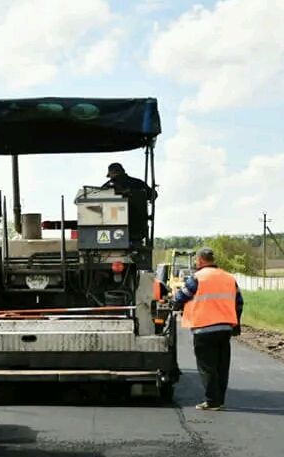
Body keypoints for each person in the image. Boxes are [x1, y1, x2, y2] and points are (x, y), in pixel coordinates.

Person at [172, 247, 243, 411]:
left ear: (201, 260)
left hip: (204, 329)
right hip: (225, 329)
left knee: (207, 366)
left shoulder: (197, 278)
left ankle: (212, 401)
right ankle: (220, 400)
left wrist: (176, 304)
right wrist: (236, 324)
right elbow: (239, 302)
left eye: (197, 260)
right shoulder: (229, 278)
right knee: (221, 366)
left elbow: (182, 295)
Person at [100, 162, 157, 249]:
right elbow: (154, 195)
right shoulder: (139, 183)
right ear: (123, 171)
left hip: (113, 233)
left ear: (112, 173)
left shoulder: (106, 187)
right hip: (137, 232)